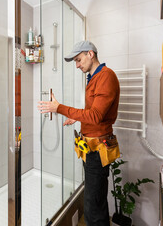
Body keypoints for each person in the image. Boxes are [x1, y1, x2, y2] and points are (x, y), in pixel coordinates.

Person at [37, 40, 120, 226]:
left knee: (92, 206)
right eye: (75, 61)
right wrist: (78, 118)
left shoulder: (106, 76)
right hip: (91, 149)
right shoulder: (94, 77)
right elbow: (94, 112)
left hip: (98, 151)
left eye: (79, 59)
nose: (77, 65)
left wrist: (59, 108)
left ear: (91, 54)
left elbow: (97, 115)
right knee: (96, 200)